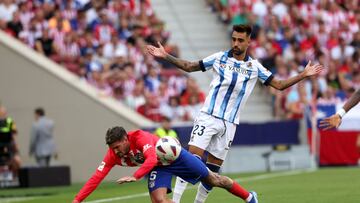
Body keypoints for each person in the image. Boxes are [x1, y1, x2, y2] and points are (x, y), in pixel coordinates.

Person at [147, 24, 323, 203]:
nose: (236, 43)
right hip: (208, 116)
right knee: (191, 161)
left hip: (229, 124)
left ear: (248, 42)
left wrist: (303, 74)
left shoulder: (254, 67)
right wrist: (166, 56)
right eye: (234, 39)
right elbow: (190, 66)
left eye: (240, 40)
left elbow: (279, 85)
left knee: (212, 171)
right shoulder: (219, 58)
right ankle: (176, 201)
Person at [72, 126, 258, 203]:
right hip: (158, 167)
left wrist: (136, 176)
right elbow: (97, 177)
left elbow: (151, 158)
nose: (116, 151)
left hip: (175, 157)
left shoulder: (140, 137)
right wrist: (77, 200)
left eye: (117, 146)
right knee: (159, 201)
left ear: (125, 139)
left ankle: (249, 197)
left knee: (214, 180)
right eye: (112, 148)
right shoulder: (112, 155)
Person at [0, 105, 21, 179]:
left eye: (4, 111)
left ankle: (15, 177)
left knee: (16, 160)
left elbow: (13, 134)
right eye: (2, 111)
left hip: (9, 145)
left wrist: (16, 145)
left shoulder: (9, 121)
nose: (3, 113)